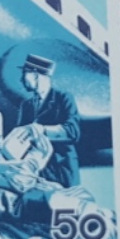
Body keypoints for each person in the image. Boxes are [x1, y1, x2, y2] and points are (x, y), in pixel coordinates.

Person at [15, 54, 81, 188]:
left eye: (24, 74)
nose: (21, 79)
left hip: (61, 169)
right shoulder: (26, 105)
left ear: (35, 75)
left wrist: (42, 130)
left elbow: (73, 132)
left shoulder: (64, 98)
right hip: (36, 171)